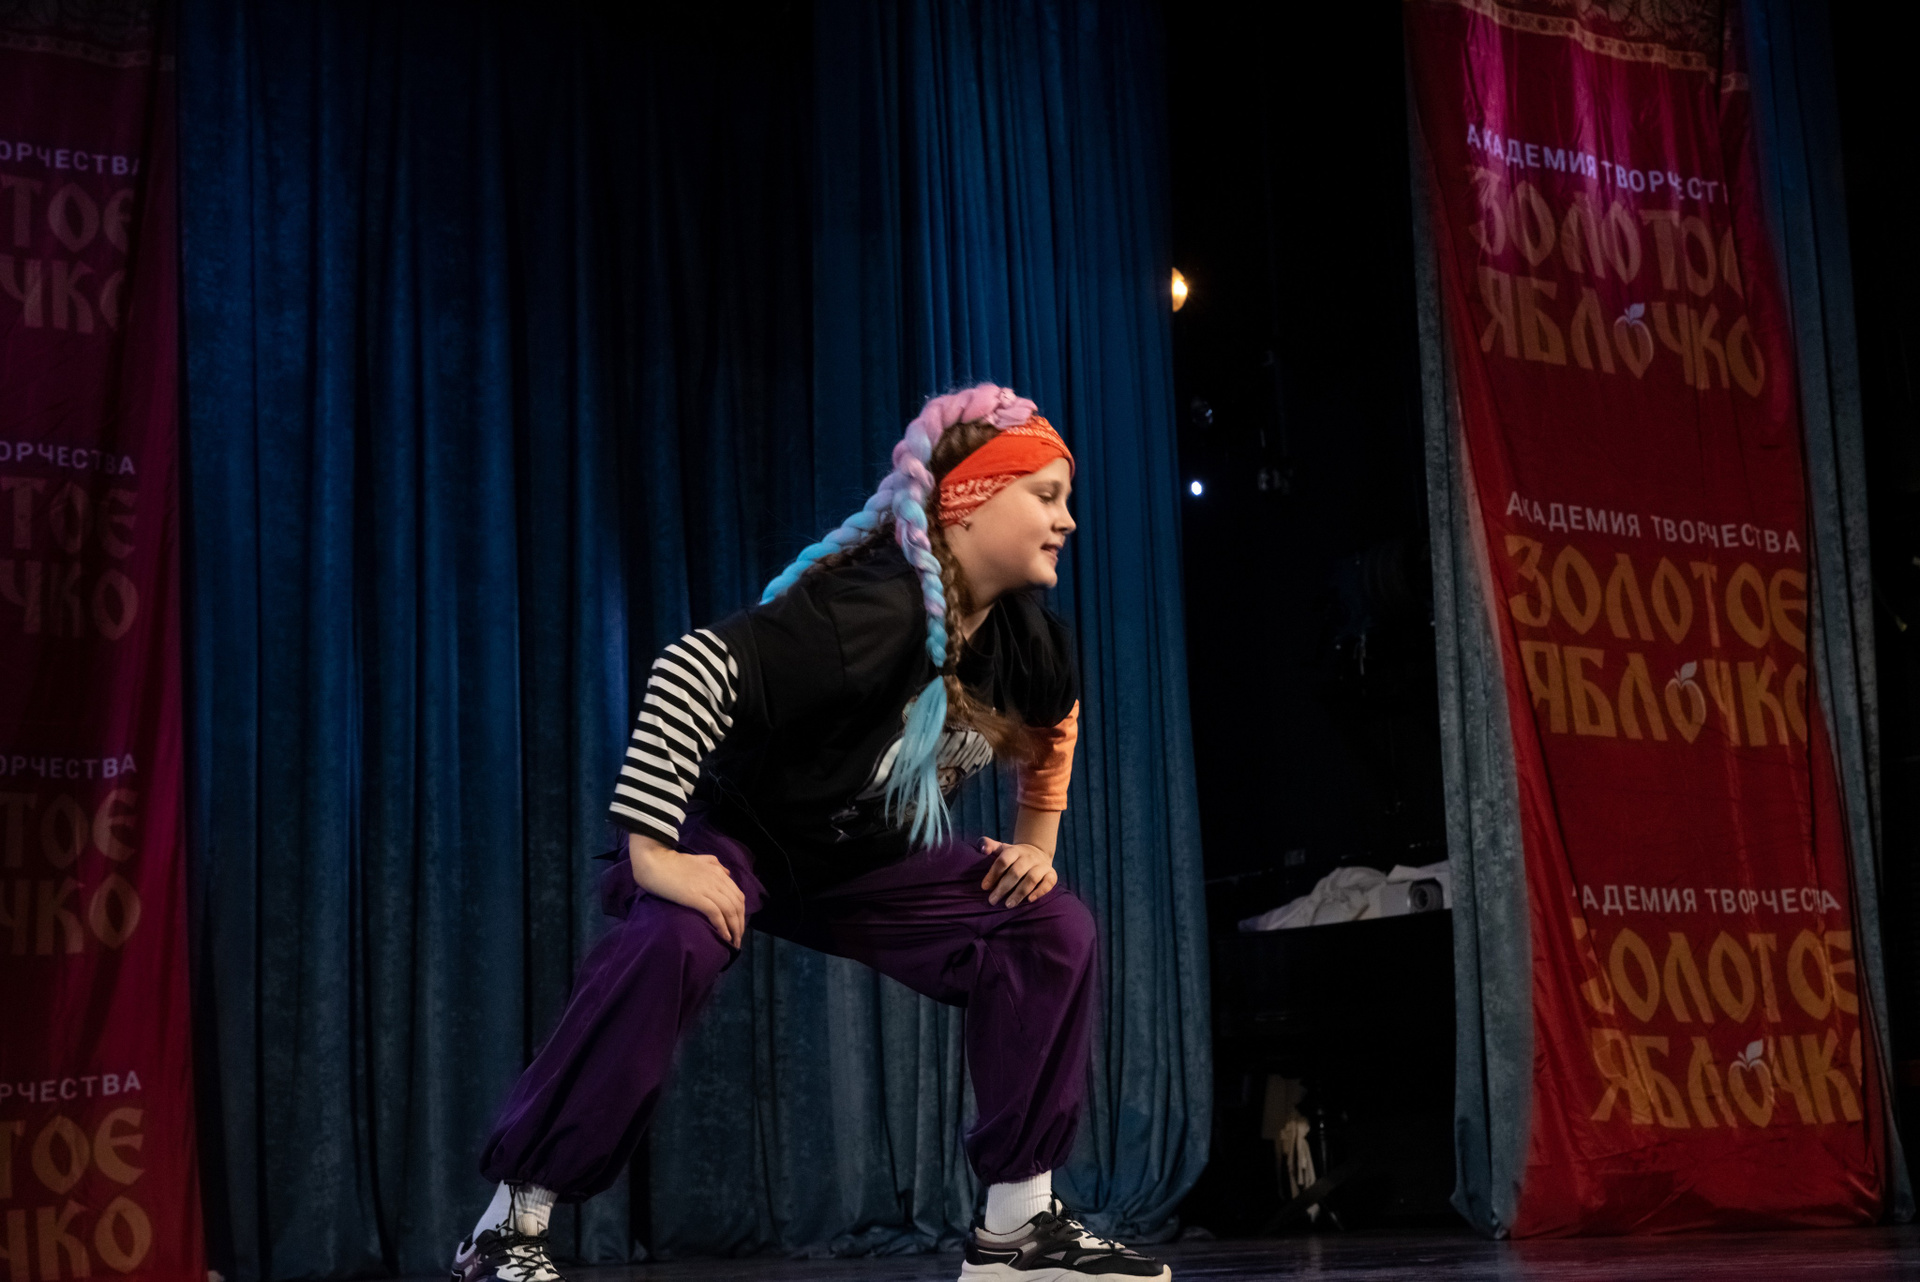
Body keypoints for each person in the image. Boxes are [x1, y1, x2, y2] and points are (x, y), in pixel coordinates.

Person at [451, 384, 1170, 1282]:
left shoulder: (1027, 640)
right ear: (970, 501)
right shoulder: (871, 613)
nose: (1068, 520)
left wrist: (1037, 846)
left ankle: (1015, 1232)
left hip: (864, 861)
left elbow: (1053, 724)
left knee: (1048, 926)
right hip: (743, 835)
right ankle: (508, 1226)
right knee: (676, 937)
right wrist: (654, 854)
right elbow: (691, 669)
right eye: (1047, 496)